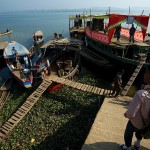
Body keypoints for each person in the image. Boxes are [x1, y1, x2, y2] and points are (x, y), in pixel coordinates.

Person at [120, 66, 150, 150]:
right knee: (140, 132)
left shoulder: (141, 94)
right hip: (147, 123)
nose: (144, 74)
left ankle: (127, 147)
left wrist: (126, 114)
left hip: (136, 121)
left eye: (146, 72)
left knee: (128, 132)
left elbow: (131, 113)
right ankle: (137, 145)